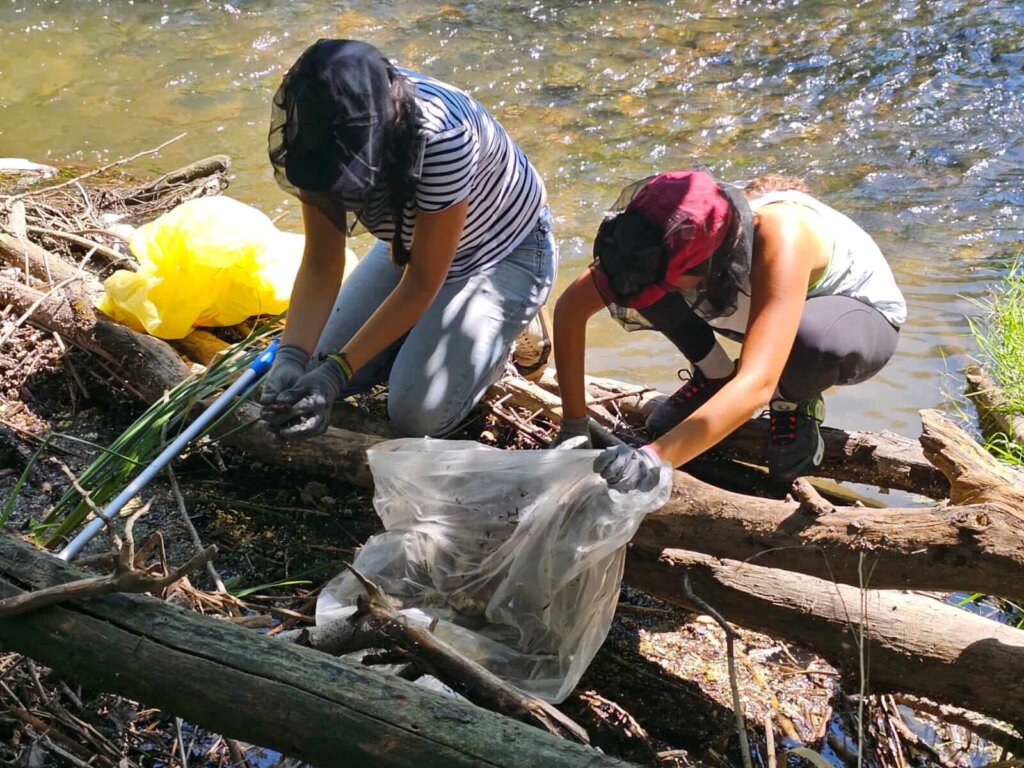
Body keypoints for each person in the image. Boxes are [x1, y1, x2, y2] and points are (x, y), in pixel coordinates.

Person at [260, 39, 556, 440]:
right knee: (310, 366)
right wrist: (289, 357)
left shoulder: (442, 138)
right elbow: (321, 261)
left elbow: (421, 282)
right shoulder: (313, 130)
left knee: (415, 413)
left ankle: (509, 331)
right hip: (414, 242)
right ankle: (414, 343)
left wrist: (334, 374)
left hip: (502, 250)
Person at [551, 170, 906, 489]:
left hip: (853, 321)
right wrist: (574, 426)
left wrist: (654, 459)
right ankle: (714, 374)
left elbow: (757, 384)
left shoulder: (783, 236)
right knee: (640, 285)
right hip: (752, 312)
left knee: (813, 343)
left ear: (711, 261)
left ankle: (795, 404)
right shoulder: (652, 240)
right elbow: (569, 311)